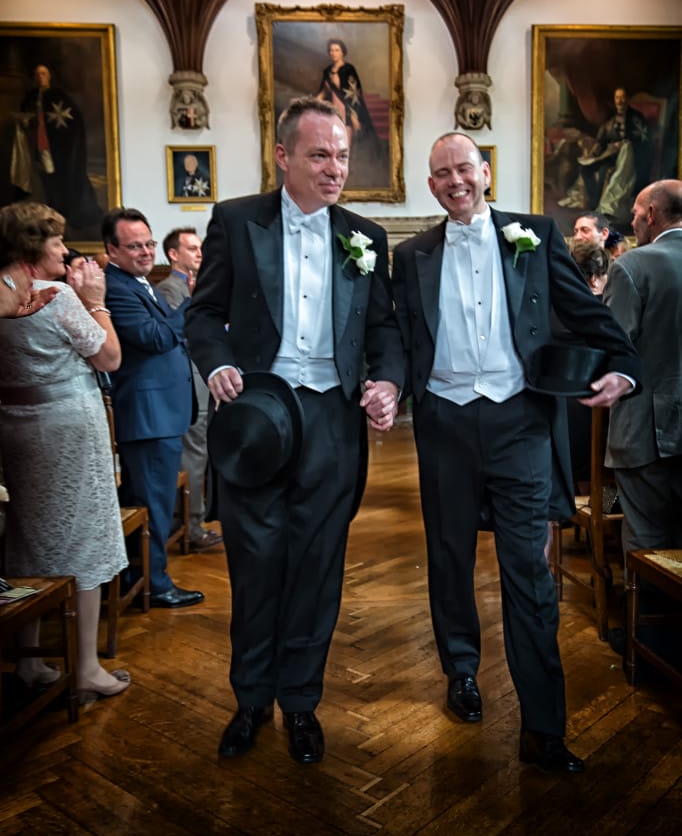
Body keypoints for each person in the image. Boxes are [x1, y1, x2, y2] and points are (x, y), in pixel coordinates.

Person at [391, 133, 640, 774]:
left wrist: (624, 365)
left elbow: (584, 311)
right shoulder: (411, 255)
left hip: (519, 423)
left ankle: (544, 727)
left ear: (485, 172)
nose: (455, 181)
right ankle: (461, 673)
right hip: (444, 423)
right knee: (448, 557)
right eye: (442, 173)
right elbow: (398, 334)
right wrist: (387, 383)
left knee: (529, 570)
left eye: (464, 169)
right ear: (431, 185)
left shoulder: (534, 234)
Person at [185, 96, 404, 765]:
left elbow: (383, 328)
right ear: (283, 156)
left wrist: (388, 382)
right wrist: (218, 363)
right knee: (255, 566)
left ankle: (301, 702)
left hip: (333, 422)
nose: (335, 168)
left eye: (342, 156)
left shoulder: (366, 236)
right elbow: (203, 313)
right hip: (257, 417)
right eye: (319, 155)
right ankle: (251, 700)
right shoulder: (235, 221)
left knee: (317, 566)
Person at [0, 201, 130, 701]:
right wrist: (97, 301)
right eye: (56, 242)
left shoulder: (5, 298)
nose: (64, 250)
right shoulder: (58, 297)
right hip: (70, 426)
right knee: (85, 535)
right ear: (34, 247)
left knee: (28, 533)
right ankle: (87, 668)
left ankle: (29, 662)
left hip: (15, 425)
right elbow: (109, 357)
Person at [102, 207, 204, 609]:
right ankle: (155, 583)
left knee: (152, 504)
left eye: (149, 243)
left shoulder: (138, 282)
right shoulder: (117, 288)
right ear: (112, 249)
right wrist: (192, 304)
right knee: (154, 506)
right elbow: (156, 337)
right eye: (135, 246)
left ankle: (142, 576)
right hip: (148, 416)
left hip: (161, 412)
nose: (146, 252)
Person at [604, 180, 682, 558]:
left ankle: (644, 603)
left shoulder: (632, 265)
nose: (632, 223)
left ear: (651, 214)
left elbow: (612, 348)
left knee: (646, 542)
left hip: (645, 434)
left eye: (634, 214)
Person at [156, 227, 221, 553]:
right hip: (188, 378)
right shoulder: (169, 288)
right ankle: (191, 527)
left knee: (202, 452)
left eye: (200, 248)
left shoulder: (197, 285)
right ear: (173, 254)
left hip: (204, 376)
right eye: (192, 248)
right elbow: (179, 335)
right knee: (194, 454)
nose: (199, 253)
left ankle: (197, 519)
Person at [12, 64, 102, 233]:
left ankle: (61, 212)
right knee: (43, 179)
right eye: (37, 74)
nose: (40, 77)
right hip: (37, 146)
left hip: (57, 149)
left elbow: (71, 121)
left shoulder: (60, 97)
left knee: (58, 179)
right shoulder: (30, 98)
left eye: (43, 74)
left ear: (49, 76)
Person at [315, 38, 387, 190]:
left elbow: (355, 94)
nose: (334, 53)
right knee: (332, 145)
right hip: (333, 113)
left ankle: (344, 178)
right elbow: (323, 92)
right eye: (331, 50)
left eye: (337, 50)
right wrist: (310, 104)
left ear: (342, 52)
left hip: (347, 111)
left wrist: (355, 115)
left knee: (344, 147)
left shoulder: (348, 70)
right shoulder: (327, 71)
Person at [575, 87, 650, 229]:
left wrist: (625, 143)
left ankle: (612, 209)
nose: (620, 101)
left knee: (626, 148)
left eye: (623, 97)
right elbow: (602, 140)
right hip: (612, 158)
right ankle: (601, 207)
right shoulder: (610, 120)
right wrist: (598, 149)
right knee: (590, 168)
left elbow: (644, 140)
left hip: (634, 158)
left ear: (627, 99)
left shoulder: (636, 118)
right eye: (617, 98)